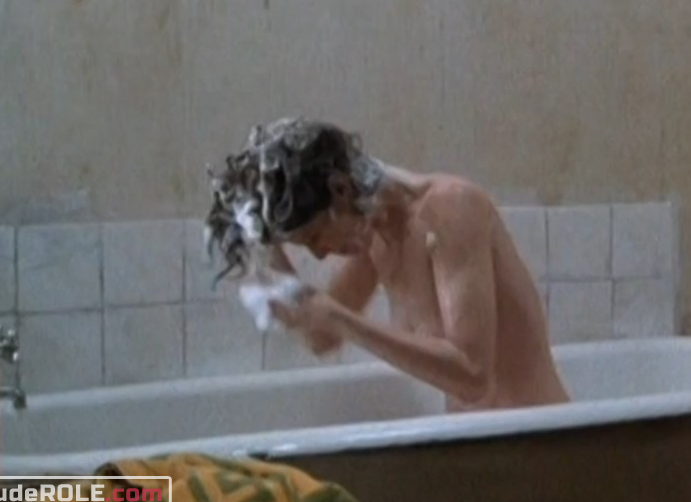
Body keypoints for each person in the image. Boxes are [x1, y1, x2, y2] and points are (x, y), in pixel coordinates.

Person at [203, 117, 570, 411]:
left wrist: (338, 317)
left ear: (341, 190)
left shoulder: (450, 208)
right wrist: (265, 249)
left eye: (315, 237)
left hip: (542, 446)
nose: (319, 255)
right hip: (480, 448)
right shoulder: (376, 239)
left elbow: (473, 376)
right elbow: (323, 336)